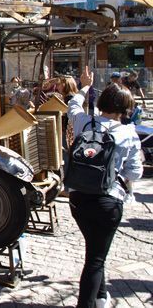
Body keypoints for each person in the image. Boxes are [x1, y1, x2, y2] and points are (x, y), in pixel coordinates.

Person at [67, 66, 143, 308]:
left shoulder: (84, 123)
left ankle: (101, 298)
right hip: (107, 202)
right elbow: (135, 173)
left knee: (96, 253)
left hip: (78, 199)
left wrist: (85, 86)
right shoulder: (128, 132)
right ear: (125, 107)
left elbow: (73, 105)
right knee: (95, 260)